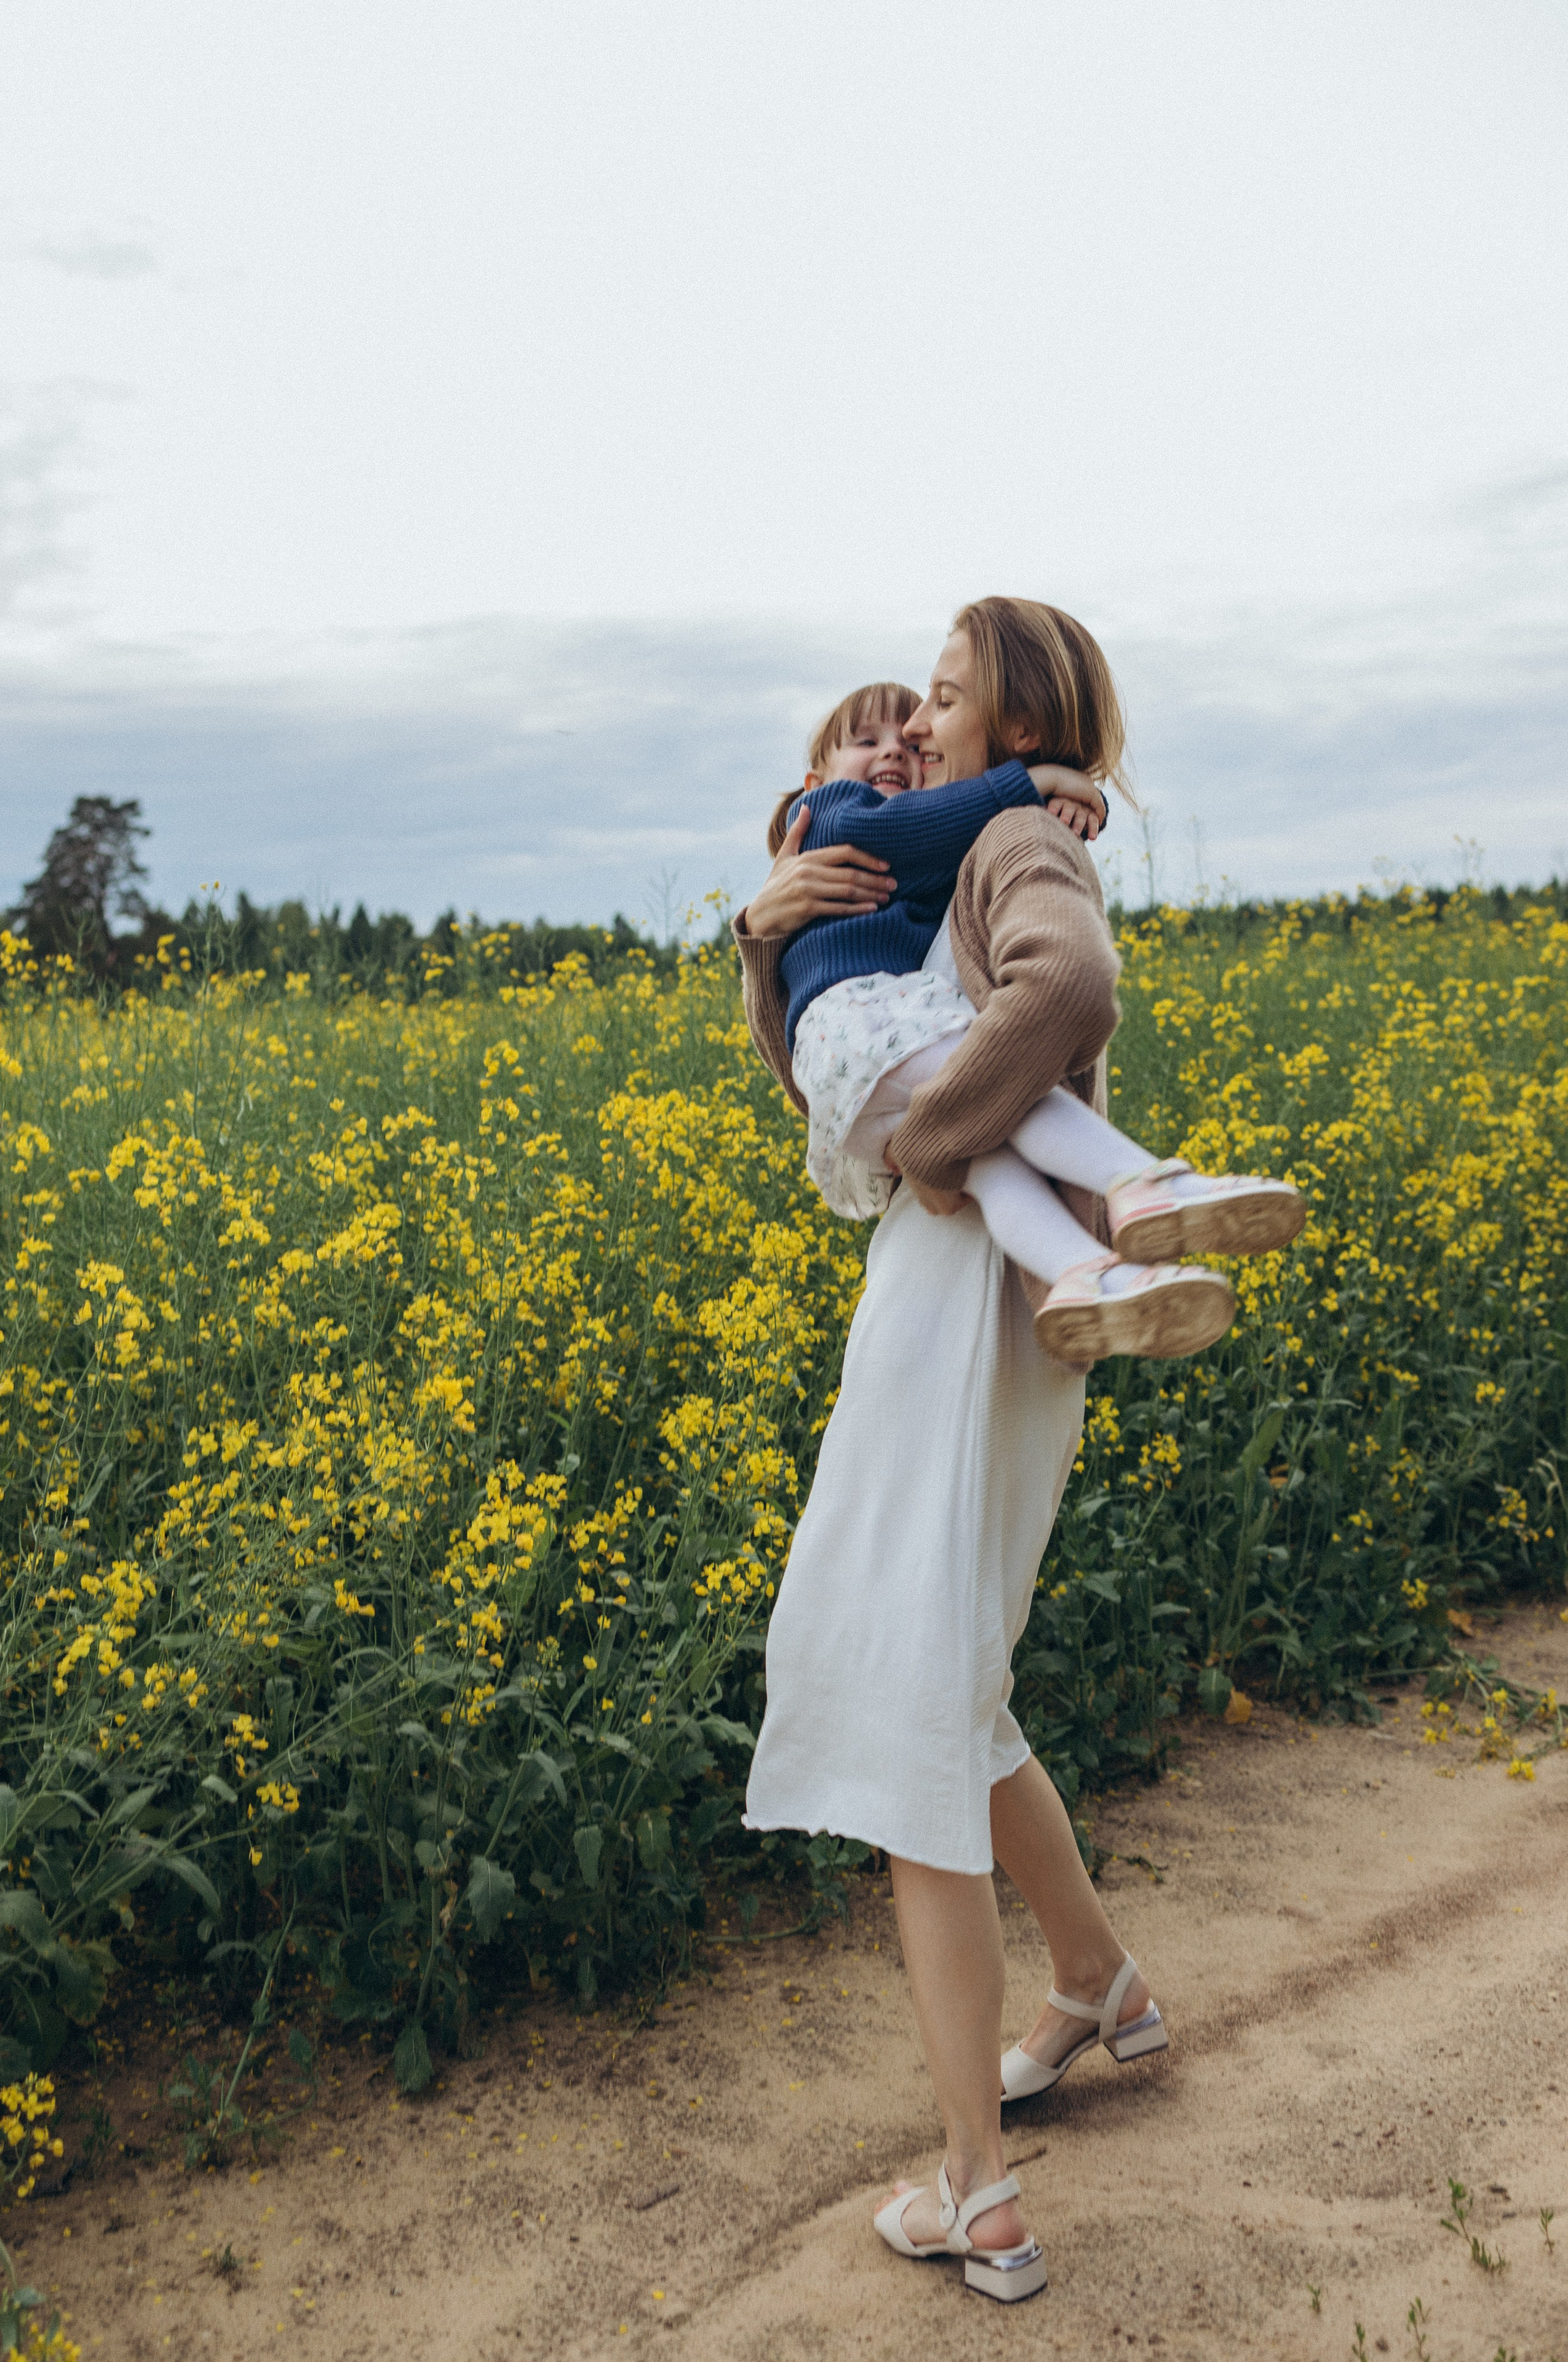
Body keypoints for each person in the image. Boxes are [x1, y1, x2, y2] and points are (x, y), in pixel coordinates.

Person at [731, 599, 1237, 2304]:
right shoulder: (935, 851)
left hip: (976, 1299)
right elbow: (831, 1055)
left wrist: (941, 1139)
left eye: (945, 696)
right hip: (970, 1292)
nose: (919, 720)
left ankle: (976, 2186)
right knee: (941, 1684)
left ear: (1013, 719)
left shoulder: (1019, 822)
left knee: (904, 1713)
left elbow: (1062, 995)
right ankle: (1097, 1983)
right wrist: (761, 924)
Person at [748, 658, 1303, 1360]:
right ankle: (1141, 1184)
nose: (895, 748)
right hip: (864, 1032)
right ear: (813, 781)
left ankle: (1081, 1274)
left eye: (911, 743)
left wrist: (1050, 805)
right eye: (865, 740)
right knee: (1010, 1091)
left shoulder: (949, 855)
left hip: (864, 1093)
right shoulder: (832, 817)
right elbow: (920, 827)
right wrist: (1032, 784)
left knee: (990, 1158)